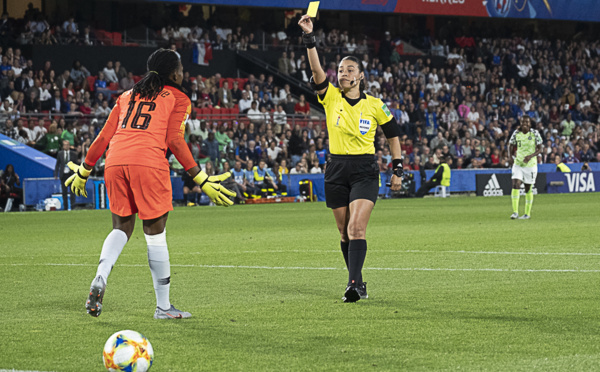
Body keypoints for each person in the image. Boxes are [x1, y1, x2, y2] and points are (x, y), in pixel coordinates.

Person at [65, 49, 235, 320]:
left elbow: (103, 137)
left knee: (121, 227)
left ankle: (101, 275)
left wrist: (84, 170)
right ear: (173, 73)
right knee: (155, 235)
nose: (183, 73)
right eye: (180, 68)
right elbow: (175, 140)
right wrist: (201, 179)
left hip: (114, 162)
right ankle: (163, 307)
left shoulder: (126, 95)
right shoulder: (179, 97)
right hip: (148, 162)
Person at [299, 14, 403, 302]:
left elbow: (393, 136)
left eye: (349, 70)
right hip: (335, 169)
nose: (343, 73)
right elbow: (317, 70)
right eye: (341, 69)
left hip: (365, 170)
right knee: (344, 232)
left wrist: (398, 169)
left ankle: (354, 284)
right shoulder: (330, 96)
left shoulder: (375, 105)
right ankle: (356, 282)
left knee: (357, 227)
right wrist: (310, 39)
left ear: (360, 76)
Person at [508, 116, 543, 220]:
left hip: (530, 165)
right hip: (518, 163)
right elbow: (510, 145)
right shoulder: (516, 133)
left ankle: (527, 213)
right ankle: (515, 212)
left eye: (527, 122)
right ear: (520, 122)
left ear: (530, 124)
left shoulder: (535, 133)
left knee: (528, 188)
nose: (525, 123)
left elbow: (540, 148)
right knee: (515, 184)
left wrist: (530, 156)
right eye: (523, 121)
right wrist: (510, 157)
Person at [54, 140, 78, 210]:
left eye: (67, 145)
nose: (66, 146)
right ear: (63, 146)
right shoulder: (60, 154)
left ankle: (73, 206)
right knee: (64, 192)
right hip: (63, 175)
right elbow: (57, 164)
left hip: (71, 174)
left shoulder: (73, 154)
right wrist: (56, 174)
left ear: (69, 146)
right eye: (64, 145)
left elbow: (76, 164)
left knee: (72, 192)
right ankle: (65, 207)